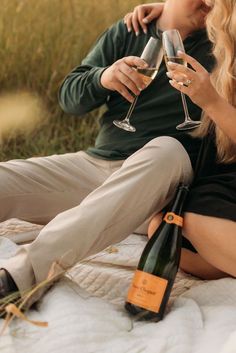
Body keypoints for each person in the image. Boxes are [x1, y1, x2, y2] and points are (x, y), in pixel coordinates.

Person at [0, 0, 213, 307]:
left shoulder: (223, 41)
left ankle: (24, 274)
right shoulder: (128, 30)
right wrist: (103, 77)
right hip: (97, 166)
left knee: (168, 149)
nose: (210, 2)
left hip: (161, 181)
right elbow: (69, 98)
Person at [127, 0, 236, 280]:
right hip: (224, 175)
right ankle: (223, 261)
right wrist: (167, 9)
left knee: (187, 218)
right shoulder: (223, 31)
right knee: (163, 226)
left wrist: (211, 102)